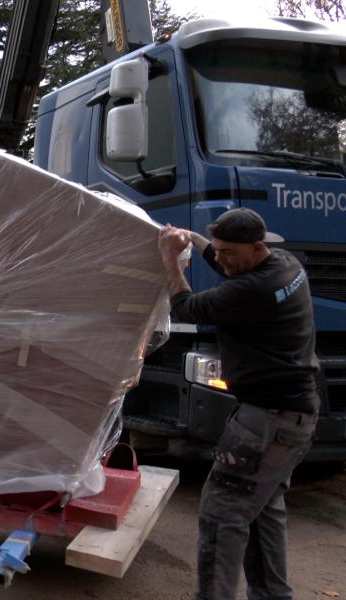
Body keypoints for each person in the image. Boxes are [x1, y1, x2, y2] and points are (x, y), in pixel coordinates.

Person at [157, 208, 318, 600]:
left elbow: (186, 307)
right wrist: (193, 240)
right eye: (221, 250)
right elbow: (221, 256)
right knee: (263, 512)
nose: (221, 258)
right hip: (294, 418)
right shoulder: (285, 264)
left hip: (266, 421)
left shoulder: (249, 292)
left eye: (229, 252)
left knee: (222, 516)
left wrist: (169, 262)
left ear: (257, 247)